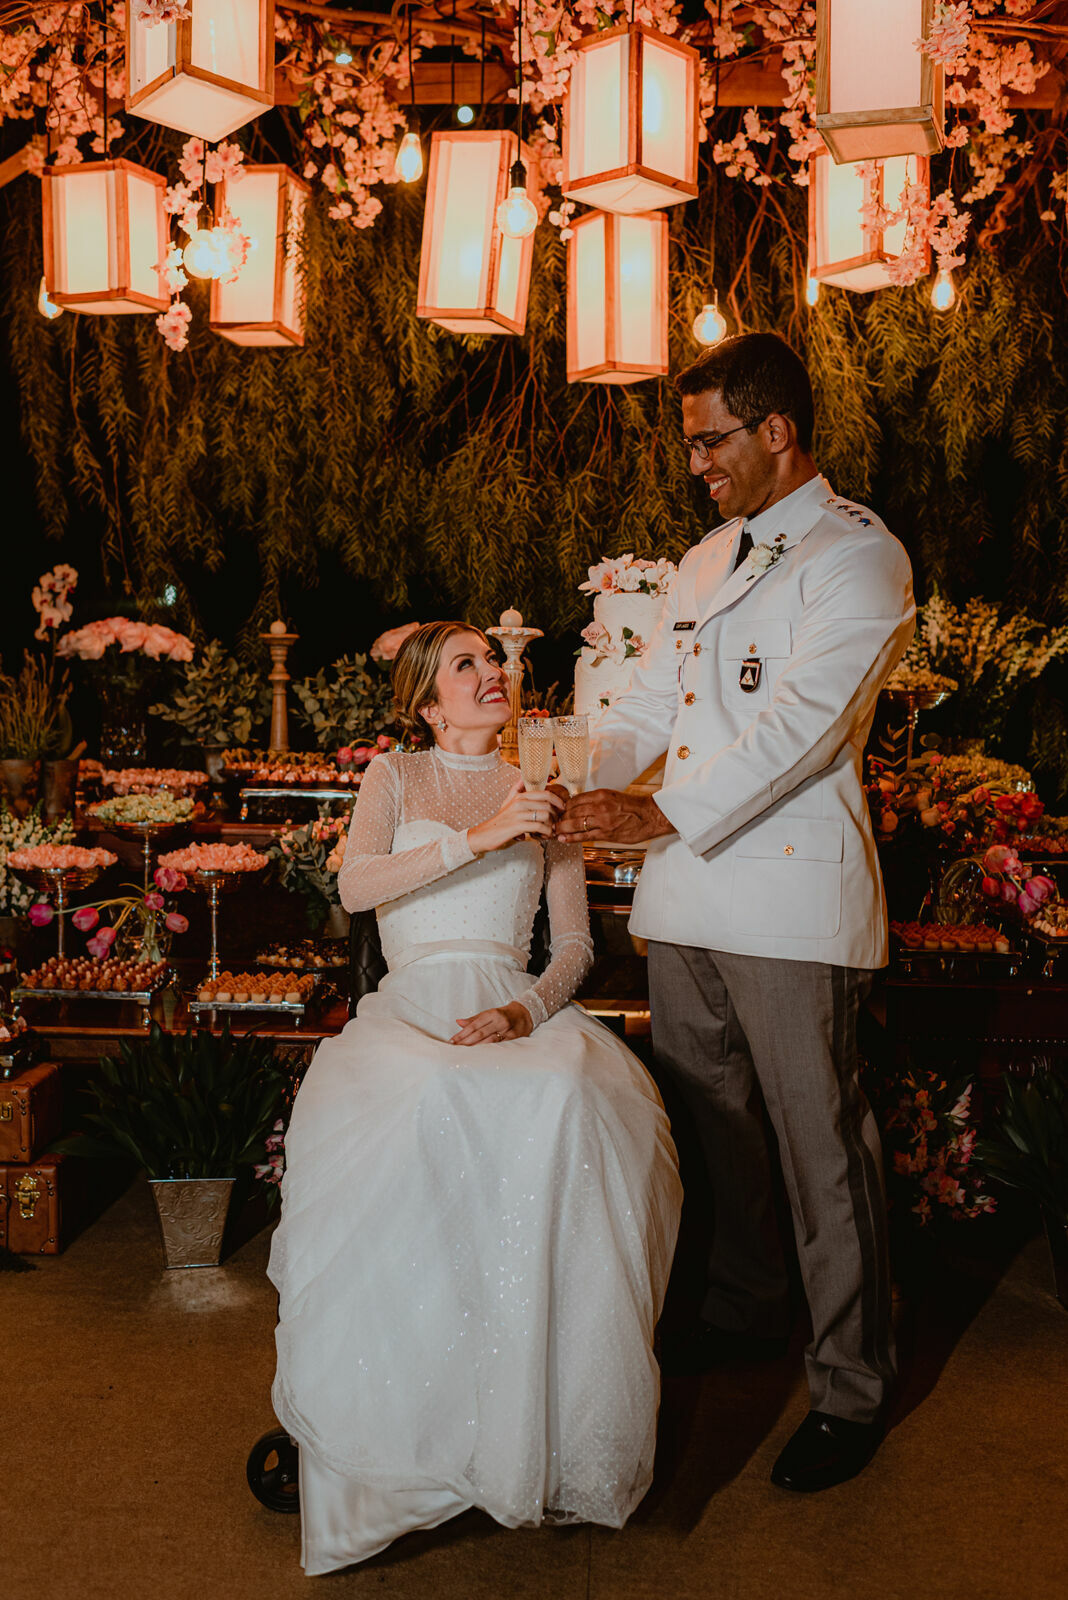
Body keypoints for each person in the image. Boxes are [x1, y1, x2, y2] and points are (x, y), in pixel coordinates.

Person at [558, 332, 915, 1493]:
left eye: (712, 441)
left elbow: (800, 728)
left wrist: (650, 816)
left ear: (778, 429)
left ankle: (852, 1381)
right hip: (690, 897)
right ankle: (750, 1303)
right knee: (715, 1124)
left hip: (791, 895)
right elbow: (650, 704)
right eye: (690, 444)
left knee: (823, 1147)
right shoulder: (704, 561)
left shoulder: (858, 557)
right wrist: (568, 774)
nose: (696, 464)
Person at [268, 621, 682, 1575]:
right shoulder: (396, 778)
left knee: (572, 1096)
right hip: (414, 1003)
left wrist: (526, 1009)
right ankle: (401, 1436)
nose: (492, 674)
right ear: (427, 700)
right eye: (468, 665)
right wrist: (489, 830)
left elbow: (575, 946)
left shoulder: (549, 782)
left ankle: (529, 1428)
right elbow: (358, 881)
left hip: (509, 1001)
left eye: (494, 662)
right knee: (418, 1097)